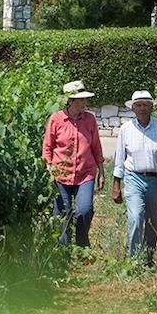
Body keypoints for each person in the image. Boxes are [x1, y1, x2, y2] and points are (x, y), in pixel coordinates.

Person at [112, 89, 157, 266]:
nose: (142, 109)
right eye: (139, 105)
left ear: (151, 108)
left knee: (153, 219)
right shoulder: (126, 129)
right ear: (133, 108)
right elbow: (119, 158)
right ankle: (133, 260)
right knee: (136, 216)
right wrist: (116, 184)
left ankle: (148, 257)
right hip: (134, 178)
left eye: (146, 105)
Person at [42, 80, 105, 248]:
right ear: (71, 101)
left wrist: (101, 171)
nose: (85, 102)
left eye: (85, 99)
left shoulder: (90, 120)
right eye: (81, 99)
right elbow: (48, 147)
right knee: (63, 212)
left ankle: (82, 245)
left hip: (86, 174)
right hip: (61, 174)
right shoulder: (56, 119)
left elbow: (96, 146)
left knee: (85, 210)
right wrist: (49, 169)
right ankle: (64, 249)